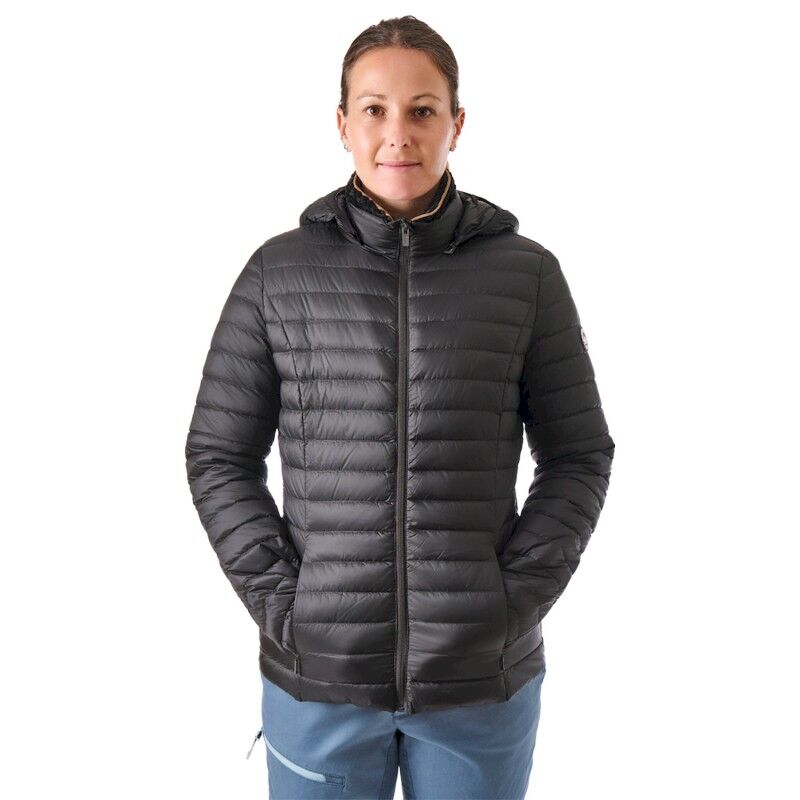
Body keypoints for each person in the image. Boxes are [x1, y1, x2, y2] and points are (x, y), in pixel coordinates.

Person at [185, 14, 615, 800]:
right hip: (319, 682)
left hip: (479, 683)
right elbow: (218, 455)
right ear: (342, 124)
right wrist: (289, 609)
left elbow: (579, 455)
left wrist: (511, 603)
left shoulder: (527, 276)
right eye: (374, 109)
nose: (397, 134)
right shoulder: (277, 274)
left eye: (422, 110)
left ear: (457, 123)